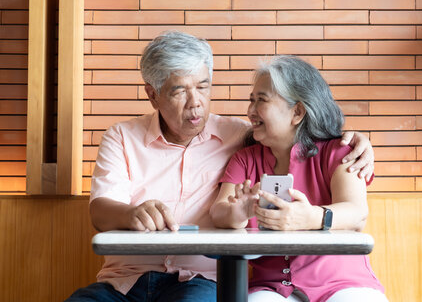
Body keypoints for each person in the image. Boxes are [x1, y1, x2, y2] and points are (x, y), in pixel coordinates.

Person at [66, 32, 375, 302]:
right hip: (124, 282)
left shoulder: (243, 136)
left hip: (200, 281)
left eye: (203, 86)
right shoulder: (123, 137)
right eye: (179, 90)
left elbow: (352, 205)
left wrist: (356, 140)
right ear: (152, 94)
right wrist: (131, 214)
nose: (195, 102)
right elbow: (100, 211)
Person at [210, 55, 388, 302]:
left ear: (297, 112)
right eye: (251, 101)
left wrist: (310, 217)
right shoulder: (244, 159)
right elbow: (219, 211)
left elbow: (357, 213)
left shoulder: (339, 152)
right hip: (271, 287)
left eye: (261, 101)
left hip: (341, 283)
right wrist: (237, 213)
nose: (250, 112)